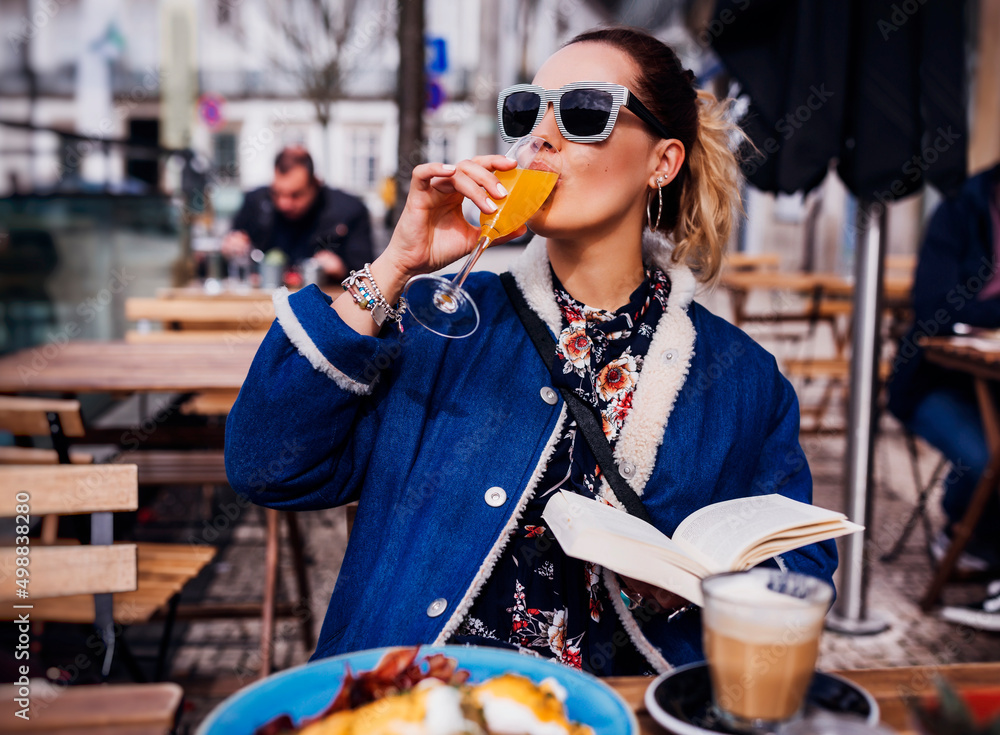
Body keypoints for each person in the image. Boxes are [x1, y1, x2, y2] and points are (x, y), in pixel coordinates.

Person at [225, 27, 837, 674]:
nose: (539, 136)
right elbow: (267, 464)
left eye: (583, 111)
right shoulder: (443, 327)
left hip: (613, 708)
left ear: (662, 161)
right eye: (526, 111)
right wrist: (395, 263)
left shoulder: (743, 379)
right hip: (420, 698)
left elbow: (798, 567)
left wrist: (698, 589)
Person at [887, 162, 1000, 631]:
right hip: (934, 380)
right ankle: (966, 534)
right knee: (987, 456)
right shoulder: (960, 208)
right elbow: (935, 308)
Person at [221, 146, 374, 281]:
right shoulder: (255, 202)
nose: (284, 203)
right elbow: (225, 261)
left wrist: (342, 269)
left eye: (295, 195)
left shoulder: (349, 211)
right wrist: (231, 249)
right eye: (277, 193)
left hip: (325, 305)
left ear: (316, 184)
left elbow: (368, 276)